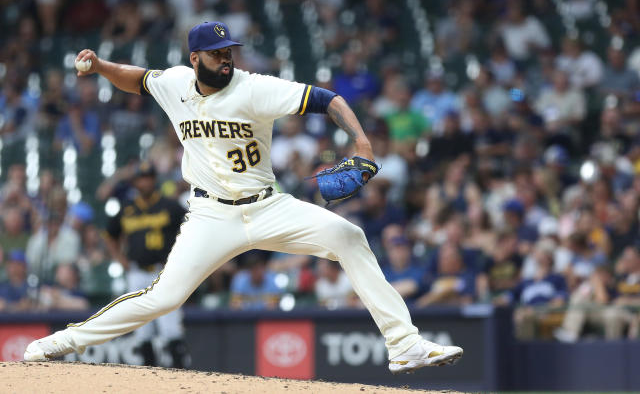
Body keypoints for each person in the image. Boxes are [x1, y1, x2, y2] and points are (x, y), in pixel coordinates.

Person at [24, 21, 462, 374]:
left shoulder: (254, 88)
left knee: (348, 237)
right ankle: (58, 342)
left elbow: (329, 100)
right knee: (164, 297)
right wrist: (101, 66)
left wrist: (362, 145)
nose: (226, 59)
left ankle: (405, 346)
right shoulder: (174, 83)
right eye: (216, 54)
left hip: (269, 205)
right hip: (210, 215)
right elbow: (136, 79)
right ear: (194, 59)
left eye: (229, 51)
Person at [104, 161, 189, 368]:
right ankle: (148, 381)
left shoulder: (169, 205)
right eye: (141, 178)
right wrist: (120, 259)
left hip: (165, 271)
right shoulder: (128, 209)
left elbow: (191, 227)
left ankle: (183, 378)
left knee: (171, 327)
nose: (145, 182)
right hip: (137, 272)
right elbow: (109, 234)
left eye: (148, 178)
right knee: (143, 328)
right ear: (135, 182)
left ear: (154, 180)